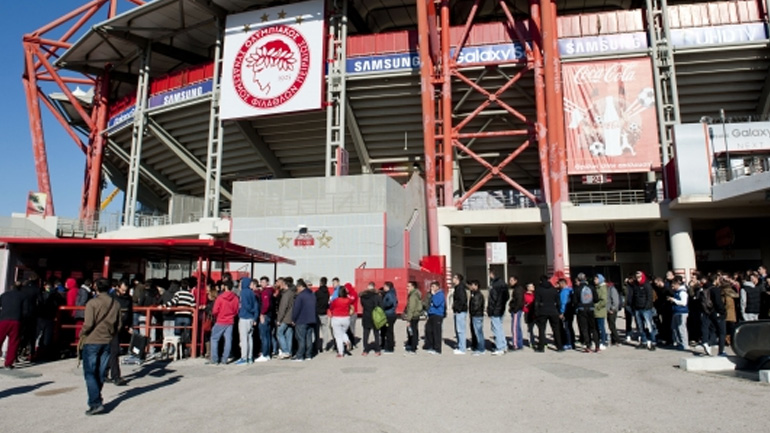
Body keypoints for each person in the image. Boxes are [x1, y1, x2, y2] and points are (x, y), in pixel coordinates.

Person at [80, 279, 121, 416]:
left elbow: (88, 323)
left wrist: (82, 333)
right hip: (108, 339)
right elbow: (119, 325)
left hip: (92, 339)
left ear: (95, 287)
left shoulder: (92, 303)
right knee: (101, 371)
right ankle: (97, 398)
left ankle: (95, 402)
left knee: (90, 372)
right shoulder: (115, 303)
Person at [107, 279, 133, 386]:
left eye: (126, 290)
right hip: (111, 327)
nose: (124, 292)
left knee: (111, 352)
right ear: (118, 287)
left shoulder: (128, 299)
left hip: (121, 326)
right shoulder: (111, 298)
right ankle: (115, 376)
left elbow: (130, 312)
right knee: (114, 351)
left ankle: (104, 373)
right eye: (122, 290)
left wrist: (130, 325)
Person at [208, 280, 239, 365]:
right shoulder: (235, 297)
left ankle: (214, 359)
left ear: (225, 287)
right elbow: (236, 310)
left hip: (220, 320)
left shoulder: (220, 297)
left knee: (214, 339)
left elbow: (215, 310)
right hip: (230, 321)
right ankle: (224, 359)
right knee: (228, 340)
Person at [0, 283, 29, 369]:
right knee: (13, 342)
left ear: (11, 287)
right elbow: (25, 311)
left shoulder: (4, 295)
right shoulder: (23, 296)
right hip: (16, 320)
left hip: (3, 319)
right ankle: (8, 363)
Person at [164, 279, 196, 354]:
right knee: (187, 333)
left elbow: (173, 301)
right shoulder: (191, 295)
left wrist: (164, 305)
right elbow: (193, 305)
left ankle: (177, 350)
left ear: (181, 287)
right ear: (188, 287)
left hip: (178, 316)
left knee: (177, 334)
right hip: (187, 316)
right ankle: (186, 350)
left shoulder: (178, 293)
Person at [534, 276, 563, 352]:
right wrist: (559, 311)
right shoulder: (553, 289)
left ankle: (541, 347)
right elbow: (558, 301)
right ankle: (559, 346)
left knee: (542, 329)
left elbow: (536, 302)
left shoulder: (539, 290)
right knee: (556, 329)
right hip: (553, 310)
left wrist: (536, 312)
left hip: (542, 310)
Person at [234, 278, 259, 365]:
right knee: (250, 338)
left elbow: (245, 305)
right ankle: (250, 357)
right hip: (251, 318)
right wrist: (255, 317)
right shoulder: (252, 293)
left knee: (243, 339)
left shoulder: (243, 292)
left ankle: (244, 358)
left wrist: (249, 310)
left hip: (244, 317)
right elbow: (256, 306)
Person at [631, 271, 657, 351]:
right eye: (637, 277)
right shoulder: (635, 285)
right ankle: (644, 342)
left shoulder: (647, 285)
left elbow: (650, 297)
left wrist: (647, 307)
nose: (638, 279)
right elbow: (633, 296)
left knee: (649, 326)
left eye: (639, 277)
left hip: (646, 309)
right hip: (637, 308)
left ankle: (653, 342)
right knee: (640, 327)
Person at [291, 279, 316, 361]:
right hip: (311, 319)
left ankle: (300, 355)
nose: (297, 289)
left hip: (301, 319)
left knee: (301, 338)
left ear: (300, 287)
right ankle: (308, 355)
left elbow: (296, 309)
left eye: (297, 287)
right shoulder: (312, 295)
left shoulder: (300, 296)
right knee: (309, 338)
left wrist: (293, 319)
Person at [574, 273, 599, 352]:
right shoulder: (591, 287)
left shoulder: (577, 289)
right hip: (591, 309)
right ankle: (597, 345)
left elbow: (574, 301)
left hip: (581, 310)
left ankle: (588, 345)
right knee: (593, 328)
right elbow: (596, 299)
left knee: (584, 328)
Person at [487, 269, 509, 355]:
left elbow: (493, 299)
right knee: (500, 327)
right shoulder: (503, 283)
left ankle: (499, 347)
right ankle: (504, 345)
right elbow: (506, 296)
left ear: (492, 274)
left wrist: (491, 309)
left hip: (495, 309)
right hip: (501, 308)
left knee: (496, 328)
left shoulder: (494, 285)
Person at [358, 282, 382, 356]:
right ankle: (377, 350)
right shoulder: (377, 296)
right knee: (376, 333)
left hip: (366, 316)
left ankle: (365, 350)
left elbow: (362, 305)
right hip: (375, 316)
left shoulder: (363, 296)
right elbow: (380, 305)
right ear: (374, 287)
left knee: (366, 334)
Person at [276, 277, 297, 359]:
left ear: (284, 284)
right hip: (291, 317)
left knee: (279, 333)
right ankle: (289, 351)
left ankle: (285, 351)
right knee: (289, 334)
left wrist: (279, 319)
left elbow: (282, 308)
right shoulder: (292, 293)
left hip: (285, 318)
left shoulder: (285, 295)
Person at [329, 286, 352, 358]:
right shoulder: (348, 300)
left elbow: (331, 307)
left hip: (336, 318)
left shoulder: (335, 300)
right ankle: (346, 340)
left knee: (338, 336)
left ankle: (341, 352)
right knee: (343, 332)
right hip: (346, 318)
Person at [667, 278, 689, 350]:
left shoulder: (682, 292)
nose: (672, 288)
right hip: (676, 311)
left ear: (677, 285)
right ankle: (679, 342)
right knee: (674, 328)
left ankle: (684, 344)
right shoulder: (677, 292)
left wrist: (674, 300)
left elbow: (683, 303)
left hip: (682, 312)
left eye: (673, 286)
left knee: (681, 328)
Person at [424, 281, 445, 354]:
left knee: (437, 332)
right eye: (431, 287)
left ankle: (437, 349)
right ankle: (431, 346)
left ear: (437, 287)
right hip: (431, 314)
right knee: (429, 330)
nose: (431, 288)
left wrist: (433, 295)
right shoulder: (432, 294)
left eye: (433, 287)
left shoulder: (440, 294)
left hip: (438, 315)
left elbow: (436, 303)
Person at [256, 276, 273, 362]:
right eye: (261, 282)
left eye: (263, 282)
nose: (262, 284)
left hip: (265, 315)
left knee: (264, 335)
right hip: (269, 315)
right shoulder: (270, 291)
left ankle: (265, 354)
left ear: (267, 283)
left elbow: (266, 305)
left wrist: (262, 314)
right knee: (267, 335)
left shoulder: (265, 292)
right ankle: (267, 354)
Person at [403, 281, 422, 355]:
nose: (407, 288)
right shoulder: (416, 294)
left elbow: (411, 308)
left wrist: (408, 319)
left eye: (408, 286)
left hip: (413, 316)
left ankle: (413, 348)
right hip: (416, 315)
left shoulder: (413, 296)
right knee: (414, 330)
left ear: (413, 287)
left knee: (412, 331)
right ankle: (413, 345)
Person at [451, 274, 468, 354]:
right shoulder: (457, 288)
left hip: (460, 312)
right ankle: (459, 345)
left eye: (454, 277)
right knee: (458, 330)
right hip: (457, 311)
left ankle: (462, 348)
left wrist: (458, 309)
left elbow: (462, 300)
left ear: (458, 279)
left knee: (461, 330)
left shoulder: (460, 288)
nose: (452, 279)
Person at [380, 281, 398, 354]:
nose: (383, 288)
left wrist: (383, 306)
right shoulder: (392, 293)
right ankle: (386, 345)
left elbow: (390, 302)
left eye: (384, 286)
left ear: (388, 287)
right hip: (389, 313)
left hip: (389, 314)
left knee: (389, 331)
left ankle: (390, 348)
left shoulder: (390, 294)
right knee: (386, 331)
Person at [557, 278, 575, 350]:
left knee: (566, 328)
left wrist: (561, 312)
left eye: (559, 284)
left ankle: (568, 343)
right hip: (571, 311)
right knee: (570, 327)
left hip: (565, 312)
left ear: (562, 283)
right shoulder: (571, 290)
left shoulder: (563, 292)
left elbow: (563, 303)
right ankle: (572, 341)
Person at [508, 276, 525, 351]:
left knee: (514, 327)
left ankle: (516, 344)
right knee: (517, 326)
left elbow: (519, 300)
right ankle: (519, 343)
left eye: (512, 280)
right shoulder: (517, 289)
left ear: (516, 280)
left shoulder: (518, 289)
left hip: (516, 310)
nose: (510, 282)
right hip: (517, 309)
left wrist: (515, 309)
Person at [314, 277, 331, 353]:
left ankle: (317, 346)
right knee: (325, 331)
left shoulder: (317, 292)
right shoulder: (327, 292)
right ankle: (324, 346)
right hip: (324, 313)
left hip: (317, 313)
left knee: (316, 331)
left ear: (320, 283)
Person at [594, 274, 609, 350]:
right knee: (596, 327)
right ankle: (598, 340)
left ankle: (603, 341)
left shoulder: (602, 288)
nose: (594, 281)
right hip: (596, 311)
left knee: (601, 327)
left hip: (600, 311)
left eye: (596, 279)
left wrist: (597, 306)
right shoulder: (597, 287)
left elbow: (604, 300)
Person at [606, 281, 621, 346]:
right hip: (608, 310)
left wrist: (612, 308)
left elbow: (616, 301)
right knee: (610, 325)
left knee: (612, 326)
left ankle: (617, 340)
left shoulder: (612, 289)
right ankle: (613, 340)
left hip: (612, 310)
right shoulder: (607, 289)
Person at [523, 283, 536, 349]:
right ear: (528, 288)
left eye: (533, 286)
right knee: (530, 328)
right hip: (528, 312)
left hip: (535, 313)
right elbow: (524, 303)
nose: (533, 287)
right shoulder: (525, 295)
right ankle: (531, 341)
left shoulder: (535, 294)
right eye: (531, 286)